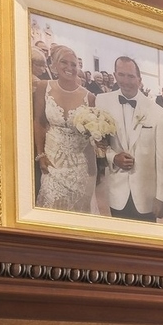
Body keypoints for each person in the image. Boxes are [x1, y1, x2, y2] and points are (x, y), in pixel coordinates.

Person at [95, 56, 163, 222]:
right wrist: (113, 157)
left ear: (139, 79)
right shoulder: (101, 102)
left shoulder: (156, 111)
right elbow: (95, 141)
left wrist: (162, 197)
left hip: (146, 196)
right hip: (117, 192)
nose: (126, 81)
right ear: (115, 75)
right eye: (121, 75)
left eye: (131, 76)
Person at [32, 45, 98, 213]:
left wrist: (92, 169)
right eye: (64, 63)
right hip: (52, 162)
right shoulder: (43, 87)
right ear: (54, 65)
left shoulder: (89, 97)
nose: (69, 68)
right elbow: (38, 121)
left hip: (79, 165)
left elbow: (91, 136)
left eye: (74, 64)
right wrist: (40, 155)